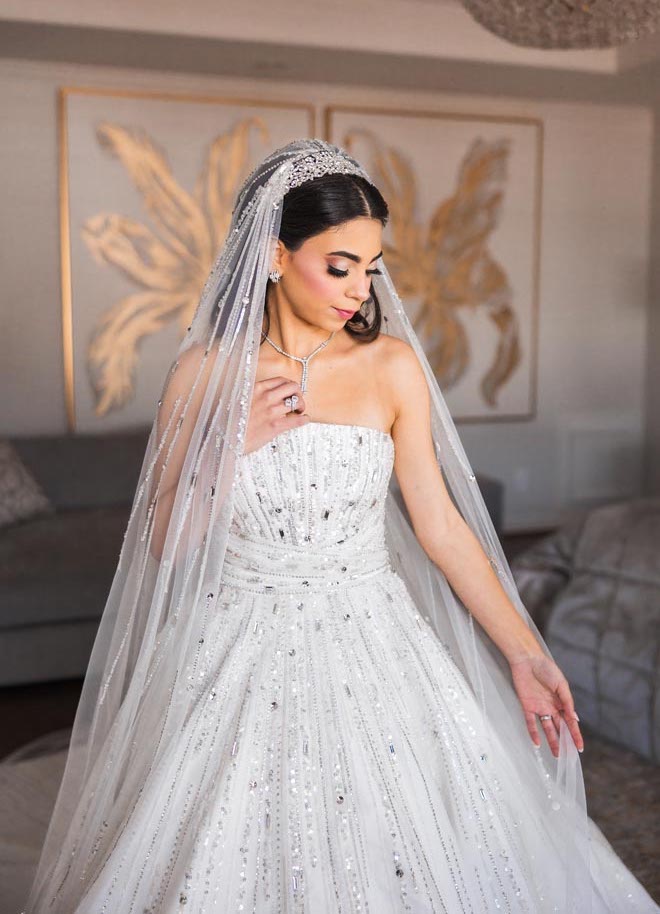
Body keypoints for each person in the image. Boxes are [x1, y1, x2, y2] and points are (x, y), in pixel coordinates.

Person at [22, 139, 659, 913]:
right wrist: (229, 448)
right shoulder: (203, 374)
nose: (358, 289)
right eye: (339, 265)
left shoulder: (391, 367)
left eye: (370, 268)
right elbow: (166, 542)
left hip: (375, 636)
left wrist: (525, 652)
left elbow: (444, 527)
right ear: (273, 254)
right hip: (237, 643)